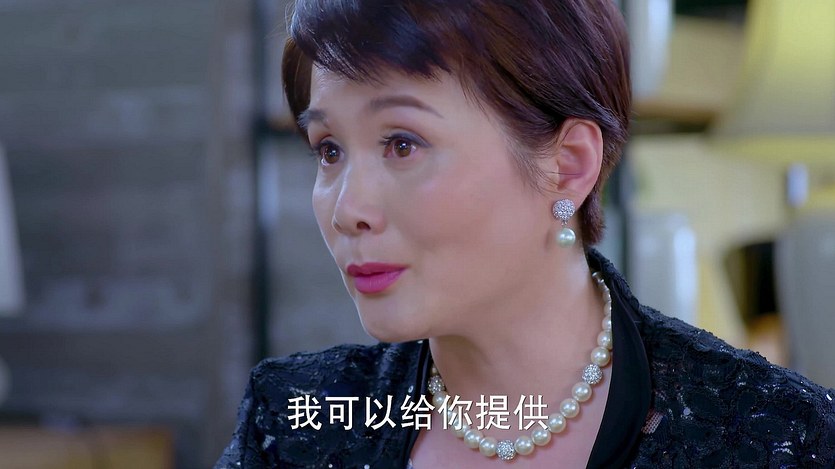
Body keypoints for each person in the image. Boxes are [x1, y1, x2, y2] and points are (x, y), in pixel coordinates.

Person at [215, 1, 835, 467]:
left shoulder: (774, 434)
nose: (348, 208)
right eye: (328, 149)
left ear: (567, 166)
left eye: (402, 144)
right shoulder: (294, 423)